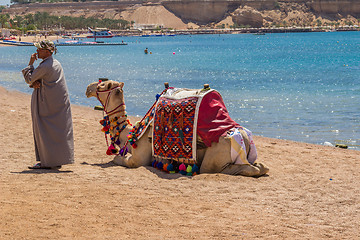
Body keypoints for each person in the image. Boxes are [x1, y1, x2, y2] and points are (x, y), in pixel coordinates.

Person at [22, 40, 74, 169]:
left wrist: (30, 64)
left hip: (46, 105)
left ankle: (46, 162)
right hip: (56, 104)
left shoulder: (45, 66)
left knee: (43, 130)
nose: (37, 51)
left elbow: (30, 78)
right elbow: (37, 80)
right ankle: (54, 160)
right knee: (56, 131)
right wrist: (34, 83)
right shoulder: (55, 63)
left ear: (47, 52)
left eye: (40, 49)